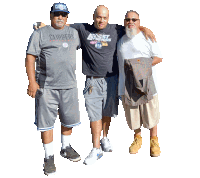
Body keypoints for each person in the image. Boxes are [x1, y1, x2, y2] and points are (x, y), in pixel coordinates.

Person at [34, 5, 156, 165]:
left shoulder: (116, 29)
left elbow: (131, 25)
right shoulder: (83, 28)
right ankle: (96, 148)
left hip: (112, 79)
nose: (101, 20)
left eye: (105, 17)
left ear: (109, 18)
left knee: (107, 112)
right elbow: (63, 25)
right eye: (99, 17)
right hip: (92, 80)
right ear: (94, 17)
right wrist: (45, 27)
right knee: (94, 115)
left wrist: (145, 28)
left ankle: (105, 138)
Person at [26, 3, 81, 175]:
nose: (60, 17)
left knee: (68, 119)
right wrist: (32, 82)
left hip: (70, 86)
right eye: (57, 14)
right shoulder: (40, 33)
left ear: (67, 17)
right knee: (46, 123)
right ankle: (49, 157)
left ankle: (65, 148)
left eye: (63, 14)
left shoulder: (74, 33)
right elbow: (30, 57)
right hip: (46, 86)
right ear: (50, 16)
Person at [117, 11, 162, 157]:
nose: (131, 22)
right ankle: (137, 138)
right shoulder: (121, 40)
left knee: (151, 113)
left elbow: (158, 57)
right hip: (127, 85)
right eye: (128, 19)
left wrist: (139, 67)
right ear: (124, 22)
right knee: (133, 115)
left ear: (139, 21)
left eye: (134, 20)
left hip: (146, 83)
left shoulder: (147, 37)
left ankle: (154, 140)